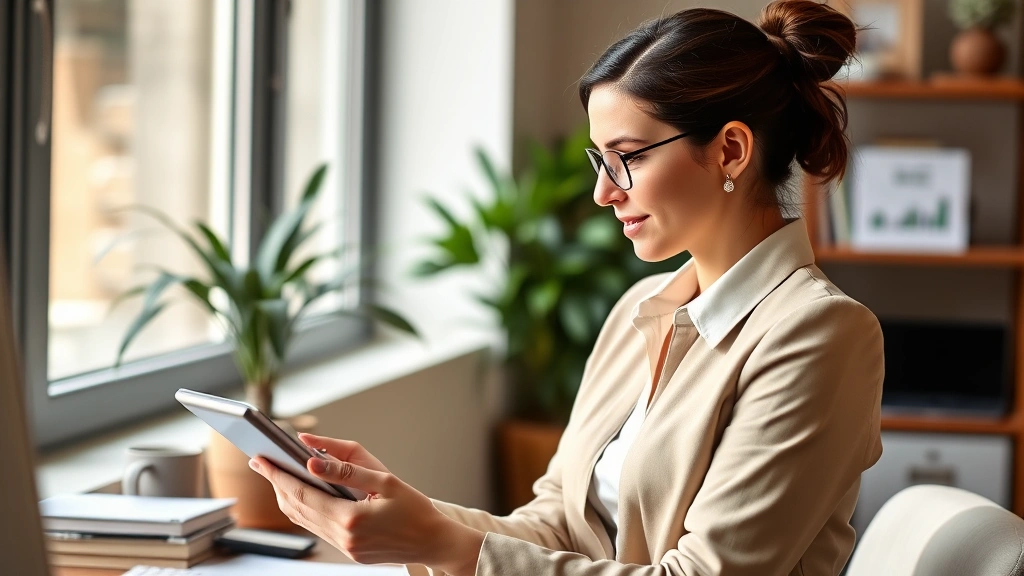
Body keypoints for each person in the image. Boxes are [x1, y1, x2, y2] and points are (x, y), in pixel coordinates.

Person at [247, 1, 884, 574]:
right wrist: (417, 519)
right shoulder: (641, 309)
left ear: (732, 150)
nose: (604, 192)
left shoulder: (819, 333)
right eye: (598, 160)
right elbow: (559, 525)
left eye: (626, 156)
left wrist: (442, 545)